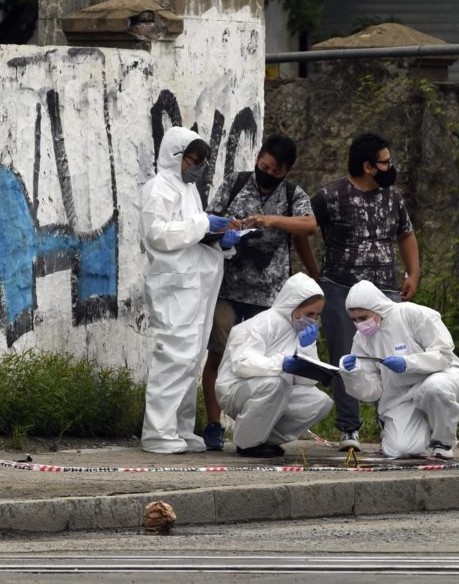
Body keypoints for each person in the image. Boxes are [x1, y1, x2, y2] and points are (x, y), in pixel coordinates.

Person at [302, 132, 420, 451]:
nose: (390, 167)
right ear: (368, 166)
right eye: (385, 162)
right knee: (347, 357)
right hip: (341, 288)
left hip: (385, 291)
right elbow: (304, 228)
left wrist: (413, 272)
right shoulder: (329, 195)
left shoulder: (393, 198)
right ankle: (348, 429)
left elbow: (406, 235)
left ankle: (392, 425)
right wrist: (314, 271)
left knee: (394, 355)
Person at [201, 135, 316, 451]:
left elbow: (309, 226)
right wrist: (227, 228)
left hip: (270, 296)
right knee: (218, 354)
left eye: (274, 170)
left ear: (287, 171)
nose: (266, 172)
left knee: (263, 363)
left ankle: (253, 427)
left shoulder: (293, 195)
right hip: (227, 288)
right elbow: (208, 221)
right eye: (263, 166)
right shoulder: (235, 183)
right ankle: (213, 424)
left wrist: (273, 220)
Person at [138, 126, 243, 454]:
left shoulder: (188, 192)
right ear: (174, 156)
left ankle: (179, 429)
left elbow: (192, 236)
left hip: (195, 288)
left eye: (199, 162)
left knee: (190, 359)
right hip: (174, 288)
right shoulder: (157, 189)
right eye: (191, 160)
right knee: (173, 357)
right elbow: (157, 233)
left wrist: (220, 240)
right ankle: (157, 433)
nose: (195, 167)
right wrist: (203, 225)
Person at [337, 280, 459, 459]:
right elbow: (373, 392)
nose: (359, 324)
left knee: (435, 389)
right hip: (400, 396)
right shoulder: (361, 340)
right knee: (400, 450)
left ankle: (442, 442)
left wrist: (408, 363)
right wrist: (353, 375)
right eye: (354, 320)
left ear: (378, 308)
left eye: (363, 318)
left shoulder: (412, 314)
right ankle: (405, 432)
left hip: (444, 376)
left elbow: (443, 354)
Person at [215, 273, 334, 458]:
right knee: (274, 383)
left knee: (320, 402)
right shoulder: (262, 323)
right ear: (293, 305)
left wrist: (307, 347)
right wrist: (281, 364)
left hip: (274, 390)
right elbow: (242, 363)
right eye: (309, 313)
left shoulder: (299, 331)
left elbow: (306, 383)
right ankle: (247, 444)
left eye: (317, 315)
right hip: (235, 389)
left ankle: (263, 439)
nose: (313, 319)